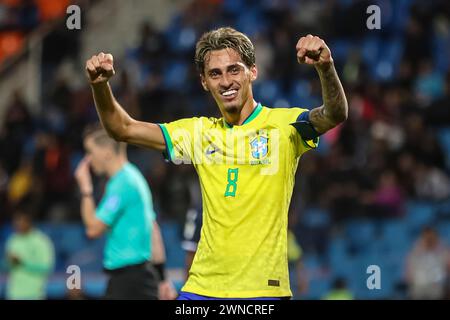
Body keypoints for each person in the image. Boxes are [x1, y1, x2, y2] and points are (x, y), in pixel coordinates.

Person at [85, 27, 348, 299]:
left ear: (252, 72)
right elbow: (123, 129)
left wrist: (325, 68)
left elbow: (334, 114)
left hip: (261, 292)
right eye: (215, 73)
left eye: (234, 70)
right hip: (201, 290)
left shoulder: (284, 126)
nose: (225, 81)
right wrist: (100, 86)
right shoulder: (198, 133)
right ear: (204, 82)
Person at [74, 124, 175, 300]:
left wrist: (86, 188)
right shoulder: (134, 177)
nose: (88, 159)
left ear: (106, 151)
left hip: (130, 281)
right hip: (139, 278)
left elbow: (93, 229)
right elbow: (154, 231)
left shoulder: (123, 184)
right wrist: (162, 278)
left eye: (90, 151)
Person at [5, 208, 55, 300]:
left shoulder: (41, 241)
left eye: (20, 220)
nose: (17, 224)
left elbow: (47, 267)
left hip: (34, 294)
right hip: (13, 294)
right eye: (16, 221)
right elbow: (7, 267)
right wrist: (7, 262)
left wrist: (22, 263)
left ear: (29, 221)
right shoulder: (12, 240)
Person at [405, 226, 450, 300]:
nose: (429, 240)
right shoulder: (414, 253)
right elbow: (408, 275)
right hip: (418, 291)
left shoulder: (443, 251)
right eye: (427, 237)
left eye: (431, 237)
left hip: (437, 291)